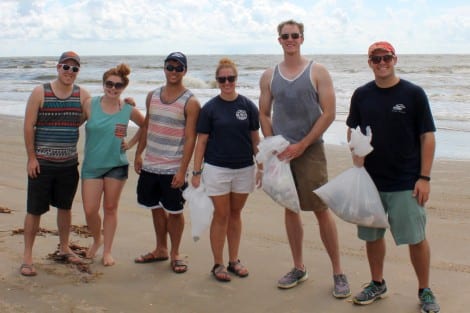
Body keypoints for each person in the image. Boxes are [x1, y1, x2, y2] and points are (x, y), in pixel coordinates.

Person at [258, 19, 350, 297]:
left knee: (321, 210)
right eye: (285, 36)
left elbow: (329, 113)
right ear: (279, 40)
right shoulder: (269, 75)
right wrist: (273, 144)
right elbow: (263, 113)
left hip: (311, 151)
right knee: (291, 209)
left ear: (301, 38)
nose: (290, 39)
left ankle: (338, 272)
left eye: (295, 35)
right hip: (282, 153)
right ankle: (298, 267)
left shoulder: (317, 71)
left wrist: (303, 144)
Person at [346, 41, 440, 313]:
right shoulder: (361, 95)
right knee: (372, 237)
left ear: (395, 59)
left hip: (406, 182)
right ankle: (377, 283)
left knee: (416, 237)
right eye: (376, 59)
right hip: (370, 181)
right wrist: (356, 152)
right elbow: (352, 130)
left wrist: (424, 178)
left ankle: (425, 290)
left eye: (386, 57)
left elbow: (427, 137)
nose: (382, 62)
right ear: (369, 63)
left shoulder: (413, 94)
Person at [191, 58, 262, 282]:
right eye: (222, 79)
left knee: (235, 214)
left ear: (236, 79)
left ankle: (234, 261)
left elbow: (255, 139)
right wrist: (196, 171)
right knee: (221, 215)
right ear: (217, 81)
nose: (227, 82)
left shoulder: (248, 106)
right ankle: (218, 264)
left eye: (230, 78)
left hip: (244, 168)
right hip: (216, 169)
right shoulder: (210, 108)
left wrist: (260, 166)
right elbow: (201, 141)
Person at [22, 51, 91, 276]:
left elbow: (98, 114)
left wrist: (125, 103)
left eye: (74, 68)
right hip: (42, 164)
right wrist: (32, 158)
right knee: (34, 211)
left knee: (65, 208)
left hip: (68, 165)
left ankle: (64, 247)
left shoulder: (83, 95)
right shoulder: (40, 92)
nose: (70, 72)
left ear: (78, 72)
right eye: (66, 67)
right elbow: (28, 125)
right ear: (58, 67)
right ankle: (27, 257)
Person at [134, 52, 200, 274]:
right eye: (169, 67)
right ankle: (160, 249)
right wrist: (138, 154)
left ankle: (175, 253)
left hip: (173, 167)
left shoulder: (191, 102)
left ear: (185, 71)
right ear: (164, 69)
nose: (173, 71)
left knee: (174, 211)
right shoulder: (152, 96)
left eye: (178, 68)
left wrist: (183, 170)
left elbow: (191, 138)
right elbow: (147, 126)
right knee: (154, 208)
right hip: (150, 165)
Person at [81, 63, 144, 266]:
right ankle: (97, 239)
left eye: (118, 85)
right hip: (91, 166)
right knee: (90, 210)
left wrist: (132, 144)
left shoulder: (127, 108)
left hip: (116, 165)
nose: (113, 88)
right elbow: (72, 123)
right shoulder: (90, 104)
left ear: (123, 87)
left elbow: (147, 125)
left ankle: (107, 250)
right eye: (109, 83)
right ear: (103, 84)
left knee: (110, 208)